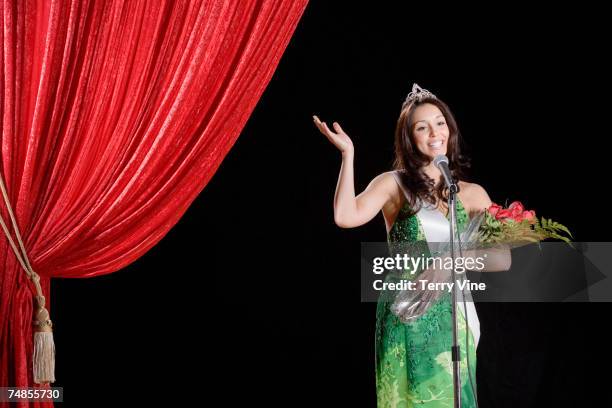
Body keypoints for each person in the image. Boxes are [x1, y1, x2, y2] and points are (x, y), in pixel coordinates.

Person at [313, 83, 510, 407]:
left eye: (440, 122)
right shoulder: (393, 183)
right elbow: (345, 216)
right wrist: (348, 155)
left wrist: (448, 264)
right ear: (409, 136)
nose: (434, 132)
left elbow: (502, 258)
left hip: (455, 315)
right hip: (408, 312)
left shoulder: (473, 193)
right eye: (422, 126)